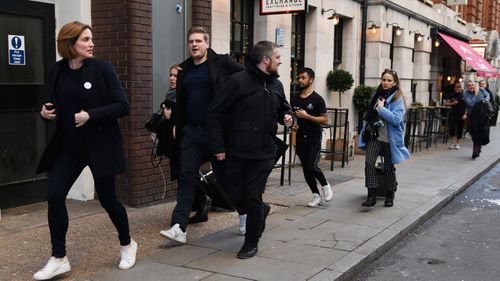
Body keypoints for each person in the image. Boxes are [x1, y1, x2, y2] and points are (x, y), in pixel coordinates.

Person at [34, 21, 136, 280]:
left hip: (100, 146)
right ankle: (59, 258)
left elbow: (122, 105)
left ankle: (127, 244)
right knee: (55, 196)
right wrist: (45, 112)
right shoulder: (55, 70)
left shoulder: (103, 69)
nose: (91, 44)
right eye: (85, 39)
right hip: (69, 147)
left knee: (108, 199)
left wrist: (90, 115)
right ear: (70, 43)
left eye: (91, 39)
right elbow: (52, 103)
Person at [207, 41, 294, 259]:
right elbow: (214, 114)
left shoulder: (277, 85)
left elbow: (285, 109)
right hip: (237, 151)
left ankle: (251, 241)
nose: (281, 60)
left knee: (253, 197)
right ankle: (261, 211)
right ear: (266, 60)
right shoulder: (237, 82)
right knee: (235, 194)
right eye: (277, 57)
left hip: (265, 152)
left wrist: (288, 117)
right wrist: (218, 146)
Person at [159, 27, 245, 243]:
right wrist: (178, 123)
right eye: (191, 41)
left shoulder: (222, 63)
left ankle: (245, 213)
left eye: (198, 41)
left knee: (225, 178)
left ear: (207, 43)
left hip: (216, 133)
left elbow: (246, 79)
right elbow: (183, 100)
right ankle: (179, 227)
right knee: (186, 177)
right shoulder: (185, 68)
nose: (194, 44)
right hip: (192, 132)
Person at [358, 69, 410, 207]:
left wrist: (381, 109)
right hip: (375, 135)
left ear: (395, 82)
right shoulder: (377, 94)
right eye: (384, 80)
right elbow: (369, 114)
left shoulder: (397, 98)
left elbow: (396, 119)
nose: (386, 83)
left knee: (388, 168)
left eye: (389, 80)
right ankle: (371, 195)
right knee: (369, 164)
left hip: (390, 138)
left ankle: (390, 194)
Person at [291, 67, 333, 207]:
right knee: (305, 168)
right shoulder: (295, 99)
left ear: (311, 79)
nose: (300, 80)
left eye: (303, 78)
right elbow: (293, 118)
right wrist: (293, 125)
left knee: (311, 165)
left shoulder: (317, 99)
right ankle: (316, 195)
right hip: (300, 138)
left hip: (314, 137)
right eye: (299, 78)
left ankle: (325, 185)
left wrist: (307, 116)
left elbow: (325, 120)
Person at [464, 80, 490, 159]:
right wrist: (475, 95)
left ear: (475, 85)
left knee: (481, 132)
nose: (471, 86)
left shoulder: (481, 90)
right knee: (474, 133)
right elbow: (471, 103)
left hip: (482, 115)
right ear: (467, 87)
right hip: (472, 116)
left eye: (472, 85)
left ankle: (475, 150)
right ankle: (477, 149)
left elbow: (487, 96)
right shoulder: (466, 94)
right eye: (469, 85)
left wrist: (484, 101)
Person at [443, 82, 466, 150]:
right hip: (453, 113)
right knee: (452, 128)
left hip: (461, 114)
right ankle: (453, 142)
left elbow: (467, 105)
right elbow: (446, 104)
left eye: (459, 87)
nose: (457, 88)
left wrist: (465, 114)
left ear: (461, 88)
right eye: (456, 87)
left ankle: (458, 143)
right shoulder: (451, 94)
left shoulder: (464, 95)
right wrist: (453, 103)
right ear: (454, 88)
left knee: (460, 128)